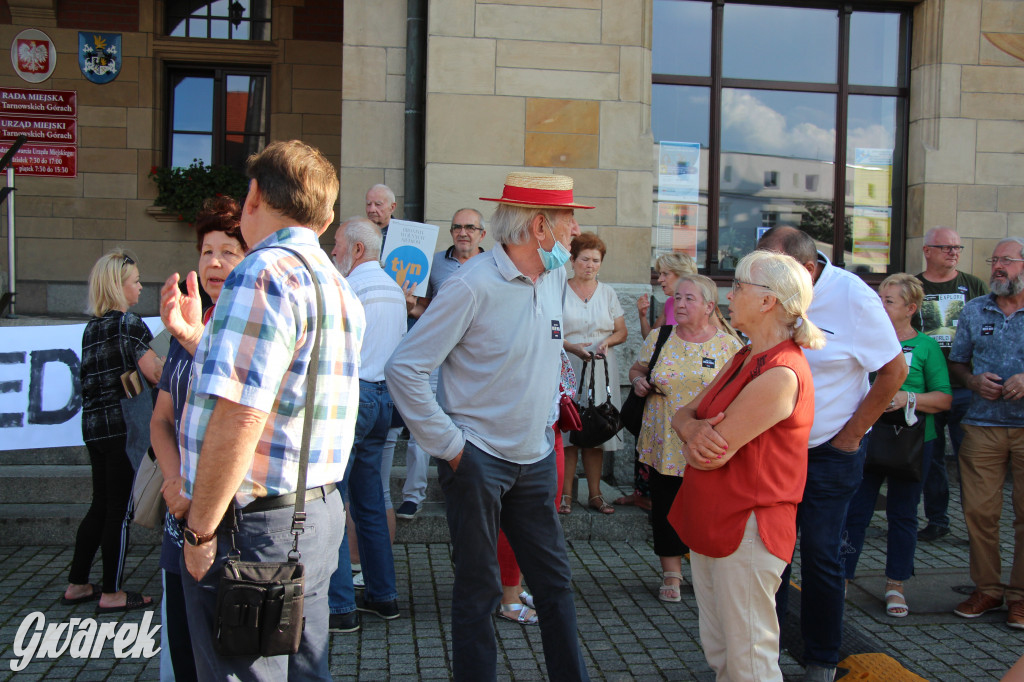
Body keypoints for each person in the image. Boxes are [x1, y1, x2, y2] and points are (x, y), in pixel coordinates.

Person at [386, 171, 591, 682]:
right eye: (568, 220)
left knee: (555, 586)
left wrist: (545, 426)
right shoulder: (470, 285)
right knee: (478, 591)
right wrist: (453, 448)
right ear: (539, 227)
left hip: (535, 458)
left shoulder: (553, 278)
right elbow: (405, 368)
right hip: (478, 463)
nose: (575, 231)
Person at [175, 140, 364, 680]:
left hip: (255, 527)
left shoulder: (262, 272)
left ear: (254, 195)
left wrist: (201, 532)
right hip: (316, 512)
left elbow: (242, 415)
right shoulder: (335, 283)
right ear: (325, 218)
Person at [756, 226, 906, 682]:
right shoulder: (768, 291)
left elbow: (894, 370)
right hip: (775, 451)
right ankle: (764, 658)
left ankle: (822, 661)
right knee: (771, 556)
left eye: (773, 270)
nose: (762, 278)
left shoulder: (854, 297)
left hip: (829, 453)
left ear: (807, 269)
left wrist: (851, 435)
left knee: (821, 556)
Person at [669, 250, 824, 681]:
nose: (729, 295)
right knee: (722, 652)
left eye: (738, 286)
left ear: (768, 301)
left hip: (748, 527)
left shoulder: (781, 372)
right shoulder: (746, 356)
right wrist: (691, 430)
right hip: (718, 519)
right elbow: (682, 414)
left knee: (749, 659)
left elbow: (708, 453)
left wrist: (690, 437)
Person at [151, 197, 247, 682]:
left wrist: (195, 492)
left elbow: (246, 424)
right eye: (207, 251)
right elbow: (161, 420)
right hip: (179, 520)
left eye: (228, 251)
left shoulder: (252, 329)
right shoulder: (185, 324)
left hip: (229, 526)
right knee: (185, 654)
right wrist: (174, 482)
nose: (214, 262)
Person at [842, 274, 952, 618]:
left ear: (911, 308)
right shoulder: (864, 339)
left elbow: (944, 399)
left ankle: (896, 584)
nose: (880, 305)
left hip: (912, 445)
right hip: (867, 438)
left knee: (903, 515)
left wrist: (908, 398)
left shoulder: (926, 347)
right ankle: (841, 578)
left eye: (889, 301)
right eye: (879, 298)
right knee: (855, 512)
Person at [628, 273, 741, 602]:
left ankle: (709, 572)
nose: (680, 303)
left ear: (709, 306)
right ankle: (672, 574)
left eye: (689, 298)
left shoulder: (728, 346)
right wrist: (637, 382)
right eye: (677, 297)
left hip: (706, 445)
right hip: (664, 442)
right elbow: (638, 369)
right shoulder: (660, 337)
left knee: (707, 511)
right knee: (665, 508)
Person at [64, 251, 162, 613]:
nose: (140, 286)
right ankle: (112, 592)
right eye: (135, 281)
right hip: (125, 428)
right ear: (119, 286)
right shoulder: (130, 324)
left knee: (100, 504)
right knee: (119, 512)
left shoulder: (91, 329)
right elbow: (154, 373)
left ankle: (77, 583)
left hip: (94, 428)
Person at [327, 216, 406, 632]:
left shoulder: (347, 288)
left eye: (337, 244)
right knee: (370, 500)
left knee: (333, 502)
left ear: (358, 250)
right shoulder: (394, 289)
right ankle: (383, 595)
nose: (332, 251)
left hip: (351, 398)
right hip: (384, 399)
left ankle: (340, 606)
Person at [947, 237, 1024, 629]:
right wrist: (973, 382)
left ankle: (1021, 596)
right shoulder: (975, 310)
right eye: (994, 260)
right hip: (982, 425)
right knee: (979, 513)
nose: (997, 266)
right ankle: (988, 589)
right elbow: (957, 363)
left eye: (1006, 260)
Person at [397, 207, 488, 520]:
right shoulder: (434, 263)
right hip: (436, 357)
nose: (463, 233)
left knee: (472, 428)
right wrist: (410, 306)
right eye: (457, 227)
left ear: (482, 234)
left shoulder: (492, 265)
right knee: (422, 424)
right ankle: (413, 496)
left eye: (470, 228)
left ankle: (466, 492)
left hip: (476, 362)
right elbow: (424, 309)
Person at [914, 226, 988, 542]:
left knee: (971, 460)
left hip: (965, 387)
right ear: (927, 251)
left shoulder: (974, 285)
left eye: (957, 247)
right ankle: (937, 520)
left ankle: (978, 527)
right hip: (928, 389)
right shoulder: (914, 286)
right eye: (946, 247)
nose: (953, 253)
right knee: (931, 459)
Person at [618, 252, 698, 511]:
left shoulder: (701, 308)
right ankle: (644, 495)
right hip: (657, 397)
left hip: (684, 401)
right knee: (648, 446)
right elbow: (652, 340)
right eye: (659, 273)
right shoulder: (669, 304)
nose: (660, 279)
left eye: (665, 274)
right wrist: (642, 316)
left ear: (682, 275)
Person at [560, 232, 627, 515]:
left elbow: (621, 331)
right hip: (568, 365)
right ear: (572, 260)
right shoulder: (559, 290)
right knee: (568, 430)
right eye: (585, 259)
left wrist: (607, 342)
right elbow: (550, 329)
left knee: (596, 428)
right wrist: (570, 347)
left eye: (596, 260)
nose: (590, 265)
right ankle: (564, 495)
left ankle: (595, 494)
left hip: (600, 367)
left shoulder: (608, 292)